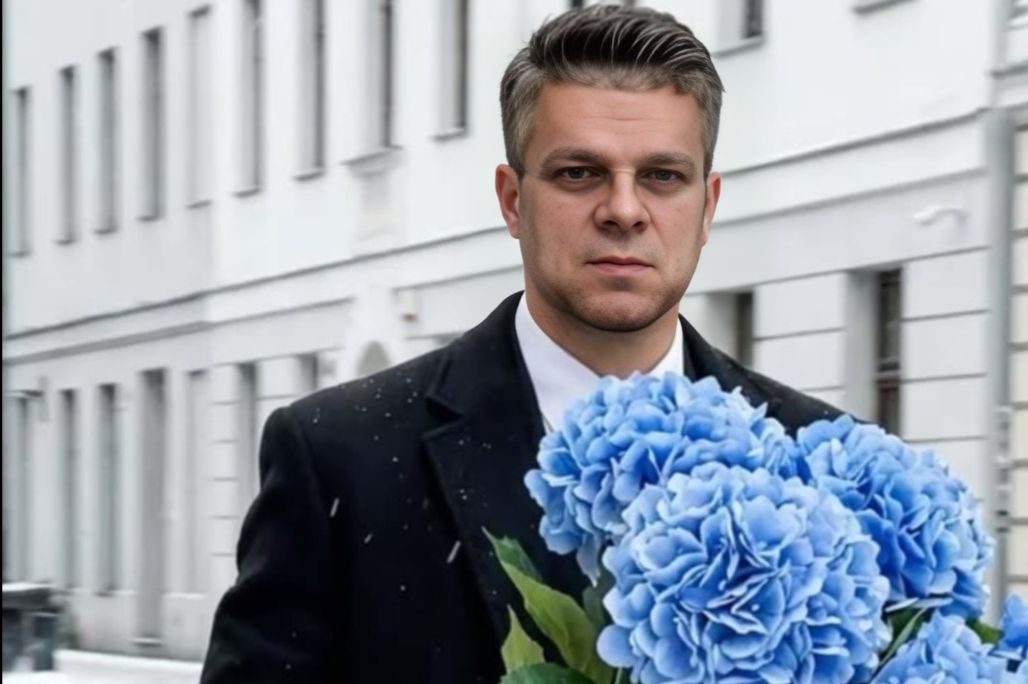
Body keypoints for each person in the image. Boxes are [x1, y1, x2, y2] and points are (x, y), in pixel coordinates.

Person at [200, 5, 840, 682]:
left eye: (661, 176)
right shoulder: (340, 457)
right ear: (512, 200)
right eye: (579, 173)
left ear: (707, 206)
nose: (624, 210)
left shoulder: (819, 465)